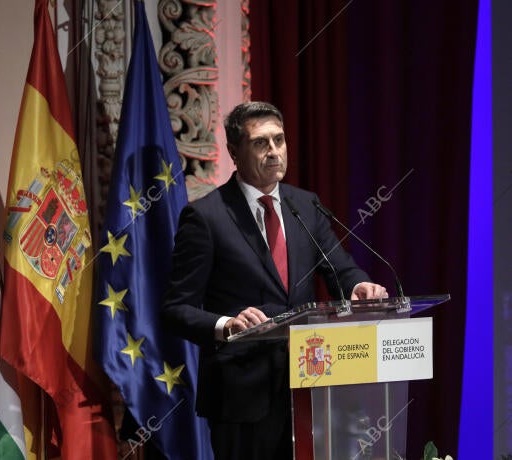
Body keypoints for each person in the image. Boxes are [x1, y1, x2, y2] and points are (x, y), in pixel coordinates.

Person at [162, 101, 387, 460]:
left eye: (279, 141)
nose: (273, 152)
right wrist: (227, 325)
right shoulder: (205, 217)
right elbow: (175, 309)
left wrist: (358, 285)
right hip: (242, 399)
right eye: (260, 143)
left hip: (311, 386)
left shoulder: (306, 205)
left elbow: (339, 268)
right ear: (234, 152)